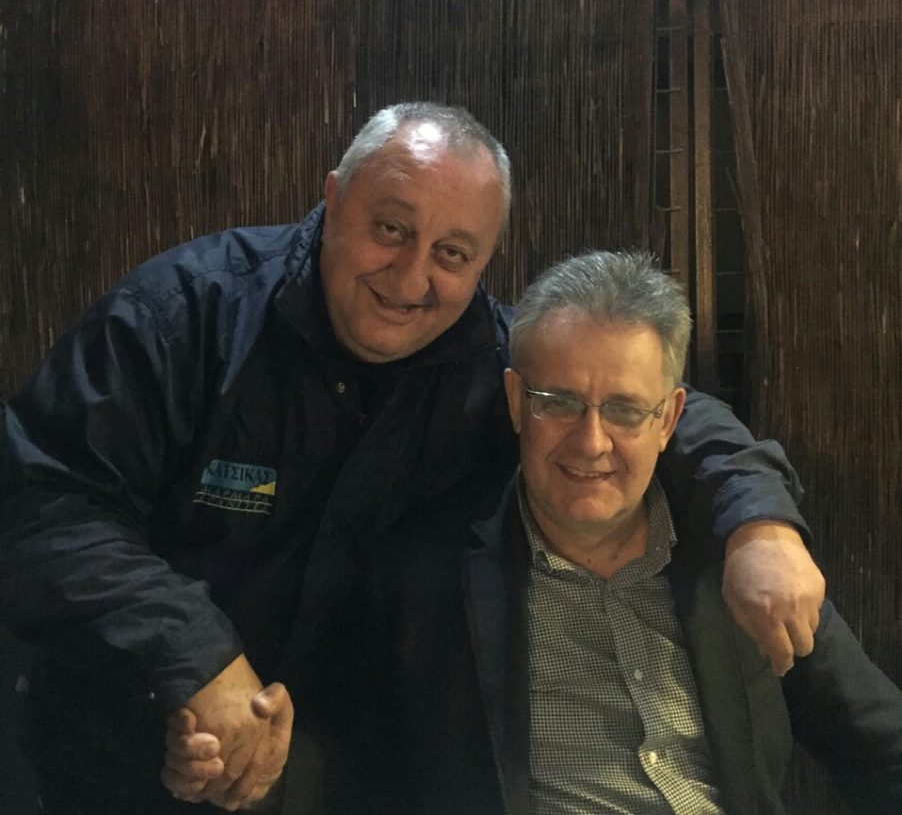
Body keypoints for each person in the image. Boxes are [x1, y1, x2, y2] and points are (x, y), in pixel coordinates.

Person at [0, 104, 824, 814]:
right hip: (123, 744)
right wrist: (194, 657)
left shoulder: (494, 366)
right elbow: (42, 501)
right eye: (391, 230)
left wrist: (760, 523)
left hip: (346, 775)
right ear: (333, 199)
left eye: (452, 253)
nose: (410, 276)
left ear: (485, 262)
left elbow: (658, 409)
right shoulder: (187, 313)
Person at [306, 251, 902, 815]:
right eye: (559, 403)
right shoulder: (421, 575)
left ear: (669, 419)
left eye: (624, 410)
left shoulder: (742, 558)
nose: (591, 442)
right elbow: (358, 783)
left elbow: (880, 743)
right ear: (515, 402)